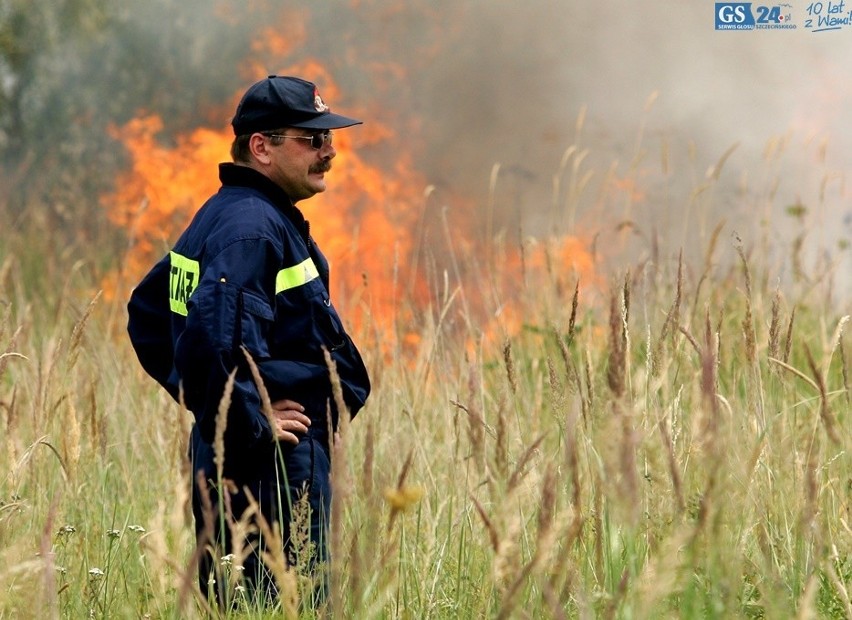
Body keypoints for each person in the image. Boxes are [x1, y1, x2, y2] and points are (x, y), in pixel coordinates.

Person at [126, 75, 371, 608]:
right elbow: (209, 338)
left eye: (329, 138)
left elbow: (149, 313)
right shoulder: (252, 229)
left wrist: (219, 417)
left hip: (237, 460)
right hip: (275, 469)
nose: (327, 152)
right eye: (311, 140)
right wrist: (251, 421)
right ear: (261, 146)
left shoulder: (229, 215)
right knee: (288, 606)